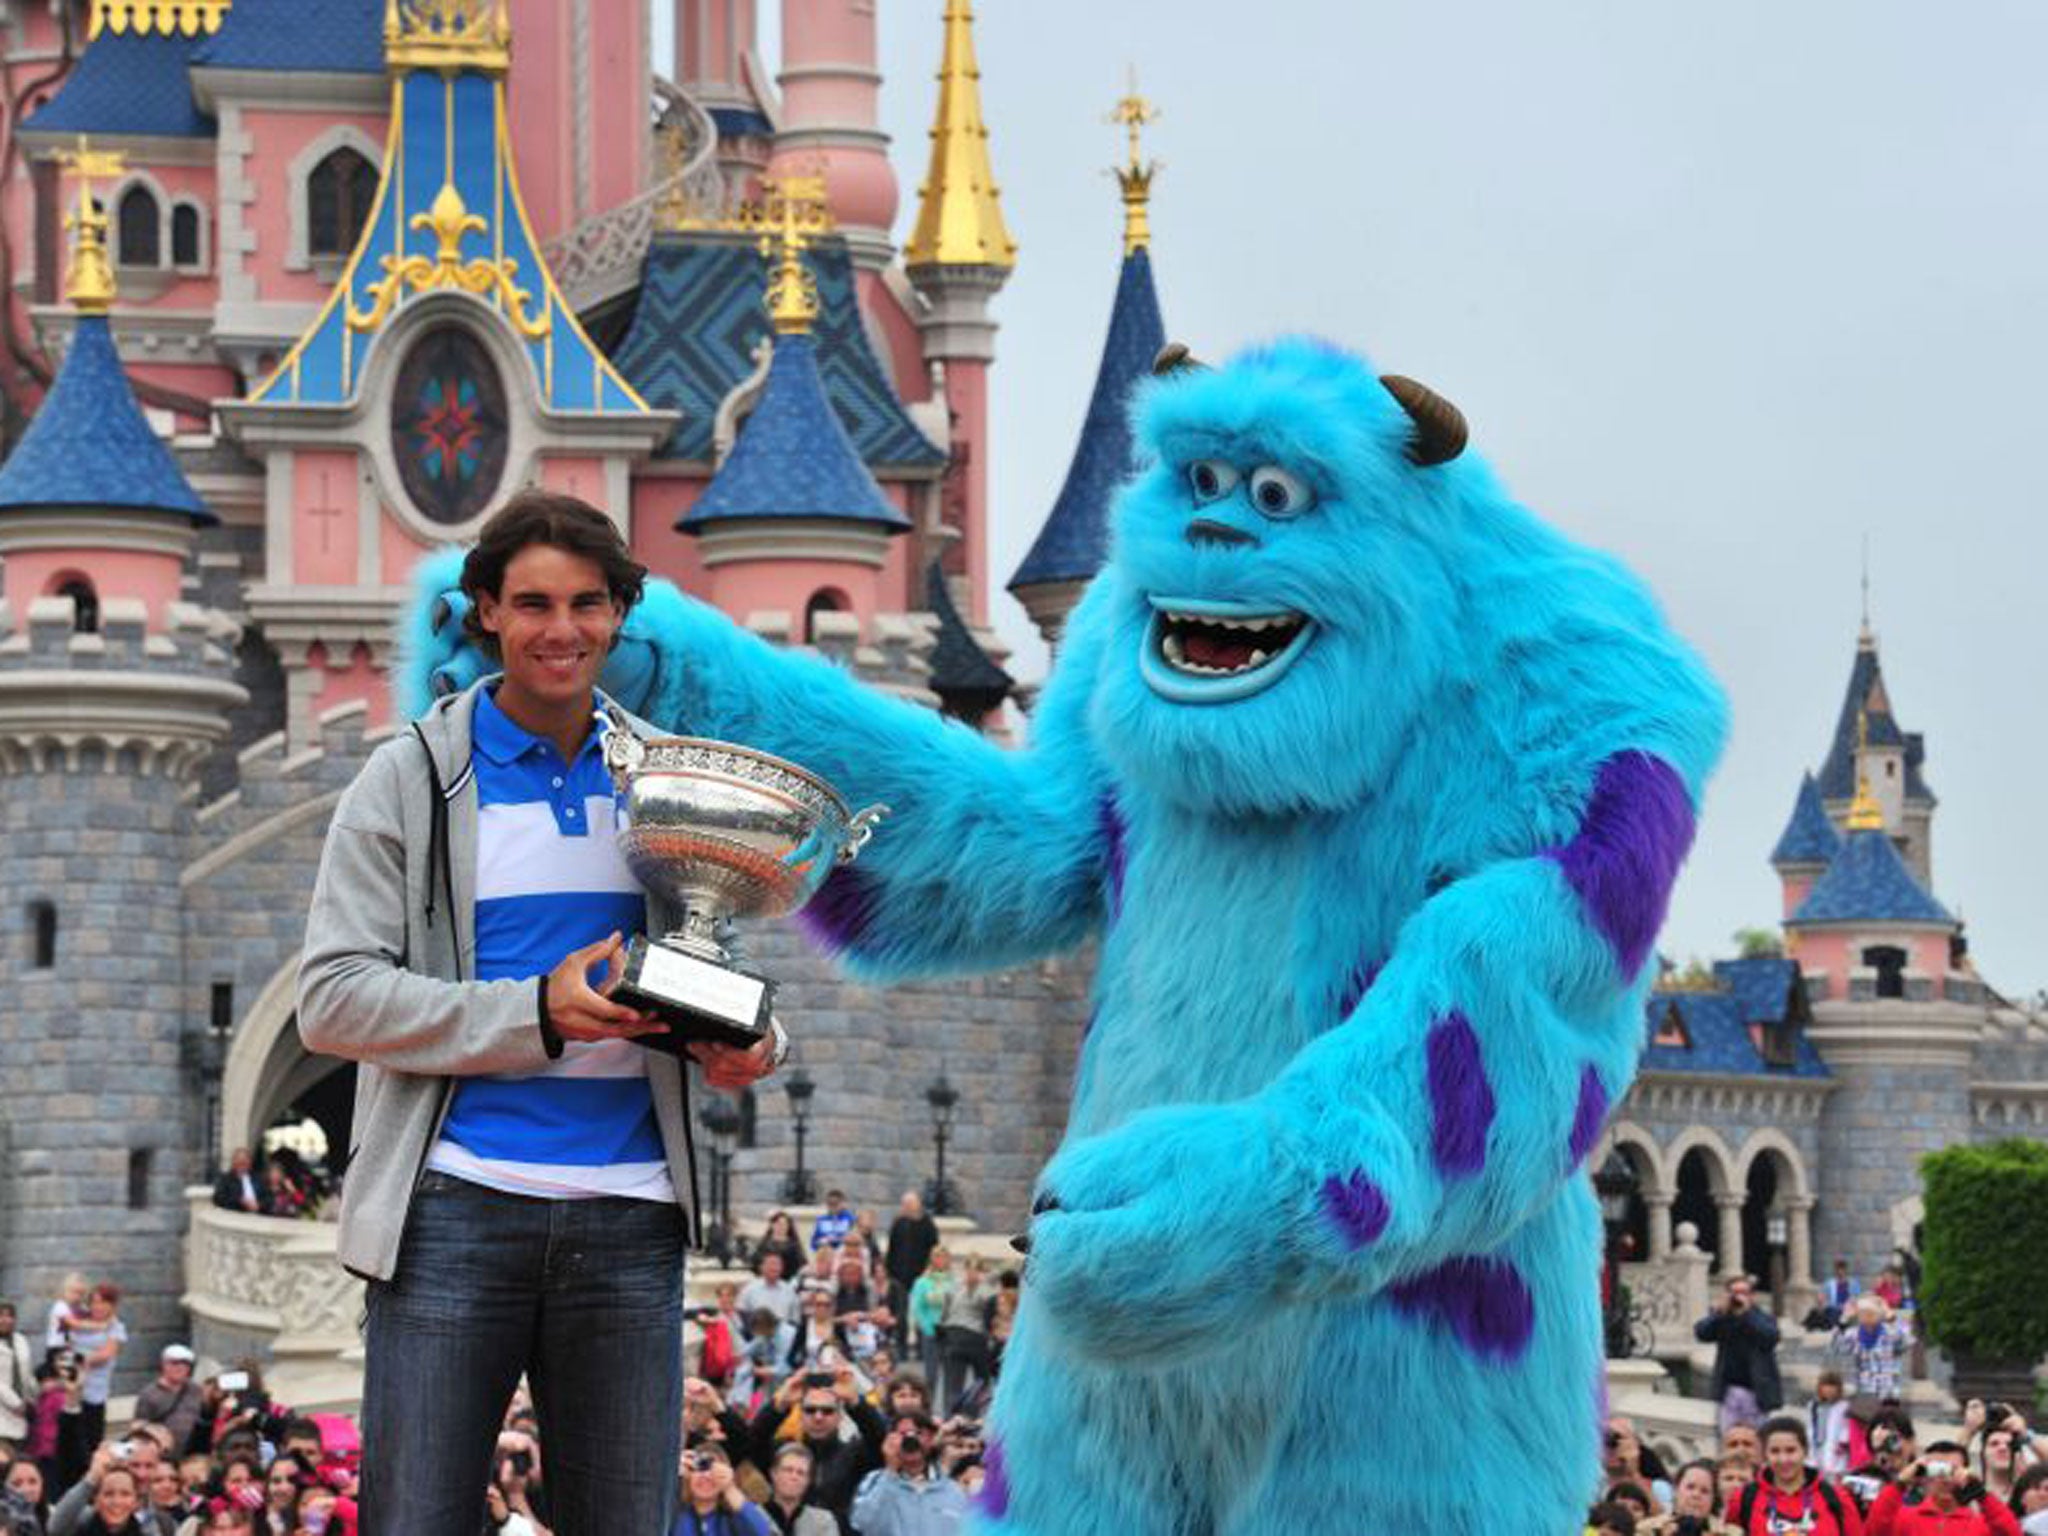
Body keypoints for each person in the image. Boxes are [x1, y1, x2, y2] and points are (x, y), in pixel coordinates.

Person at [296, 492, 782, 1533]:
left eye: (585, 603)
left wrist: (754, 1040)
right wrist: (536, 1012)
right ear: (485, 612)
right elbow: (331, 1000)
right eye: (533, 604)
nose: (562, 630)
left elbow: (713, 954)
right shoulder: (410, 780)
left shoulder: (667, 777)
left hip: (631, 1220)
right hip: (454, 1210)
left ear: (619, 613)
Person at [745, 1369, 884, 1532]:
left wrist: (856, 1403)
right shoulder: (783, 1454)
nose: (818, 1417)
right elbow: (752, 1442)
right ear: (800, 1414)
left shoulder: (855, 1455)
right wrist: (780, 1404)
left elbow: (880, 1441)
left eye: (827, 1411)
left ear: (839, 1416)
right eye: (810, 1410)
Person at [1725, 1417, 1861, 1536]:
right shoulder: (1744, 1498)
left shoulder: (1836, 1498)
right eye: (1775, 1451)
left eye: (1791, 1450)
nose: (1783, 1459)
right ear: (1765, 1454)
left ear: (1805, 1451)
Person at [849, 1411, 970, 1536]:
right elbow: (863, 1524)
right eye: (903, 1434)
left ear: (931, 1439)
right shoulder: (874, 1481)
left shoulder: (952, 1491)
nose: (911, 1440)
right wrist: (890, 1473)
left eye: (918, 1433)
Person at [1866, 1442, 2022, 1536]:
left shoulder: (1981, 1524)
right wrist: (1899, 1484)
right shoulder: (1903, 1518)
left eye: (1952, 1470)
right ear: (1923, 1474)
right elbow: (1873, 1530)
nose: (1944, 1477)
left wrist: (1982, 1495)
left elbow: (2011, 1533)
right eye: (1937, 1470)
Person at [1696, 1277, 1783, 1436]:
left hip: (1756, 1392)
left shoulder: (1762, 1317)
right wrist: (1719, 1313)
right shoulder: (1723, 1318)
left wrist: (1747, 1314)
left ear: (1752, 1296)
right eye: (1734, 1293)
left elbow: (1771, 1337)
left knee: (1757, 1439)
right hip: (1729, 1391)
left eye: (1743, 1292)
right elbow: (1701, 1333)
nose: (1738, 1297)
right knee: (1728, 1437)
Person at [61, 1285, 126, 1485]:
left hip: (95, 1392)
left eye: (103, 1302)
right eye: (94, 1302)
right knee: (68, 1438)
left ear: (113, 1305)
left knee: (90, 1443)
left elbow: (106, 1354)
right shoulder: (81, 1320)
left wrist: (79, 1360)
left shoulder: (116, 1327)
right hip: (71, 1391)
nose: (98, 1307)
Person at [672, 1443, 770, 1536]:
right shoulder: (674, 1514)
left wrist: (729, 1489)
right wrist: (672, 1471)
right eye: (699, 1468)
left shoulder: (734, 1516)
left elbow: (762, 1532)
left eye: (713, 1470)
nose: (706, 1476)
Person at [882, 1197, 937, 1354]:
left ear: (917, 1205)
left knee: (921, 1311)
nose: (905, 1207)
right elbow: (892, 1248)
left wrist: (929, 1271)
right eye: (904, 1204)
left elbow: (933, 1248)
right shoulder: (898, 1224)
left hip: (921, 1276)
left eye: (908, 1204)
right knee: (901, 1312)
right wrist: (889, 1271)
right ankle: (902, 1348)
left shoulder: (927, 1224)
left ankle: (921, 1347)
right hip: (899, 1276)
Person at [1830, 1295, 1911, 1402]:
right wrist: (1844, 1319)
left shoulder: (1890, 1332)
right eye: (1863, 1313)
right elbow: (1836, 1346)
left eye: (1870, 1312)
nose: (1867, 1316)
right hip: (1864, 1392)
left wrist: (1890, 1315)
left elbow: (1906, 1341)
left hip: (1889, 1394)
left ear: (1879, 1314)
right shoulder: (1853, 1334)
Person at [133, 1347, 203, 1460]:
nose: (180, 1367)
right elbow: (138, 1425)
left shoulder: (196, 1390)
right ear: (164, 1365)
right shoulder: (149, 1393)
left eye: (185, 1364)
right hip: (163, 1456)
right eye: (174, 1363)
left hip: (192, 1455)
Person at [1639, 1460, 1740, 1536]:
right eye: (1690, 1487)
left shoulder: (1731, 1533)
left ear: (1713, 1499)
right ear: (1675, 1491)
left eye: (1704, 1491)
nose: (1696, 1495)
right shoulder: (1647, 1529)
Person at [760, 1443, 836, 1536]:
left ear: (808, 1481)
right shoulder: (753, 1517)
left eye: (801, 1473)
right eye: (788, 1470)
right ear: (773, 1473)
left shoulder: (823, 1521)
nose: (794, 1477)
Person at [741, 1254, 802, 1334]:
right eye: (771, 1264)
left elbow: (795, 1318)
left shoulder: (789, 1291)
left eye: (778, 1265)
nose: (774, 1268)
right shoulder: (749, 1289)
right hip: (757, 1333)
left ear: (782, 1268)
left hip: (783, 1335)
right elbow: (742, 1312)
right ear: (762, 1267)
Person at [1808, 1369, 1853, 1477]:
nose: (1829, 1390)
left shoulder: (1844, 1406)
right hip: (1817, 1444)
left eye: (1832, 1386)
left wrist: (1843, 1442)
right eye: (1825, 1386)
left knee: (1833, 1472)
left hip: (1835, 1447)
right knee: (1816, 1471)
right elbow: (1810, 1425)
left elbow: (1847, 1427)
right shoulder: (1814, 1405)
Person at [0, 1305, 32, 1450]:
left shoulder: (21, 1340)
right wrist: (16, 1404)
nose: (5, 1320)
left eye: (10, 1316)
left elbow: (26, 1373)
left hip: (21, 1414)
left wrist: (35, 1395)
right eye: (1, 1315)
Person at [211, 1151, 262, 1216]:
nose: (242, 1166)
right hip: (236, 1216)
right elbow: (218, 1199)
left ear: (250, 1163)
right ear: (234, 1163)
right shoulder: (226, 1179)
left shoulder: (257, 1178)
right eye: (240, 1162)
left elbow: (267, 1197)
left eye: (245, 1162)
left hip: (258, 1216)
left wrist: (259, 1204)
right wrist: (240, 1201)